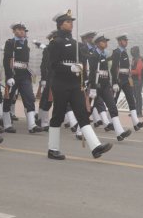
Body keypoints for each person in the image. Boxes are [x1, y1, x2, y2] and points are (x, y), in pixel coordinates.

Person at [47, 10, 112, 160]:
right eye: (67, 22)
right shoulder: (55, 43)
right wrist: (70, 68)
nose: (71, 24)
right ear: (60, 24)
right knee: (57, 115)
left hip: (75, 84)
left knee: (82, 114)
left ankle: (95, 147)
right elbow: (53, 65)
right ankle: (53, 149)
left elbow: (83, 63)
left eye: (71, 22)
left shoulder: (77, 44)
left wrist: (83, 82)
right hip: (61, 84)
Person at [89, 32, 132, 141]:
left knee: (112, 107)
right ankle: (80, 130)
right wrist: (93, 87)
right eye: (103, 42)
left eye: (106, 42)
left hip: (105, 84)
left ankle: (119, 132)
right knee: (88, 109)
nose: (105, 43)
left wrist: (113, 83)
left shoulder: (104, 55)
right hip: (96, 85)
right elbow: (92, 73)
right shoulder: (94, 55)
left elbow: (110, 71)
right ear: (98, 43)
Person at [2, 22, 42, 133]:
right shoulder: (10, 43)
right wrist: (9, 76)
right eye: (18, 30)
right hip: (13, 75)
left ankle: (32, 125)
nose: (21, 31)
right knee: (8, 99)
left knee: (29, 98)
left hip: (24, 75)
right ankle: (7, 124)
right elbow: (7, 60)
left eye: (23, 30)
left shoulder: (26, 44)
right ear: (14, 31)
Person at [111, 33, 143, 131]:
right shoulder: (117, 52)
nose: (126, 42)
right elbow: (114, 68)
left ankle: (136, 123)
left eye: (126, 40)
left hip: (126, 79)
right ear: (119, 41)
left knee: (131, 99)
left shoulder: (125, 52)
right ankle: (111, 122)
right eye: (124, 40)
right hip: (119, 79)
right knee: (113, 101)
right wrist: (114, 82)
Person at [80, 30, 113, 131]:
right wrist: (86, 81)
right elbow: (86, 67)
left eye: (92, 37)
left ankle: (105, 122)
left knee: (98, 103)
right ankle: (80, 128)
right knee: (89, 105)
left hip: (99, 82)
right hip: (89, 80)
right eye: (90, 37)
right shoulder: (83, 49)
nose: (91, 38)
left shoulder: (100, 52)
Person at [36, 30, 57, 131]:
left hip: (60, 77)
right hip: (51, 78)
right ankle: (43, 121)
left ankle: (41, 119)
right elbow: (44, 65)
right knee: (48, 99)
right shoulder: (47, 50)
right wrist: (44, 79)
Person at [130, 46, 143, 118]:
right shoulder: (133, 59)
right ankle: (135, 111)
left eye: (133, 51)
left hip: (138, 80)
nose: (131, 52)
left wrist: (130, 71)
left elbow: (138, 71)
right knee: (134, 96)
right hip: (133, 80)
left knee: (138, 96)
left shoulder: (139, 59)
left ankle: (139, 112)